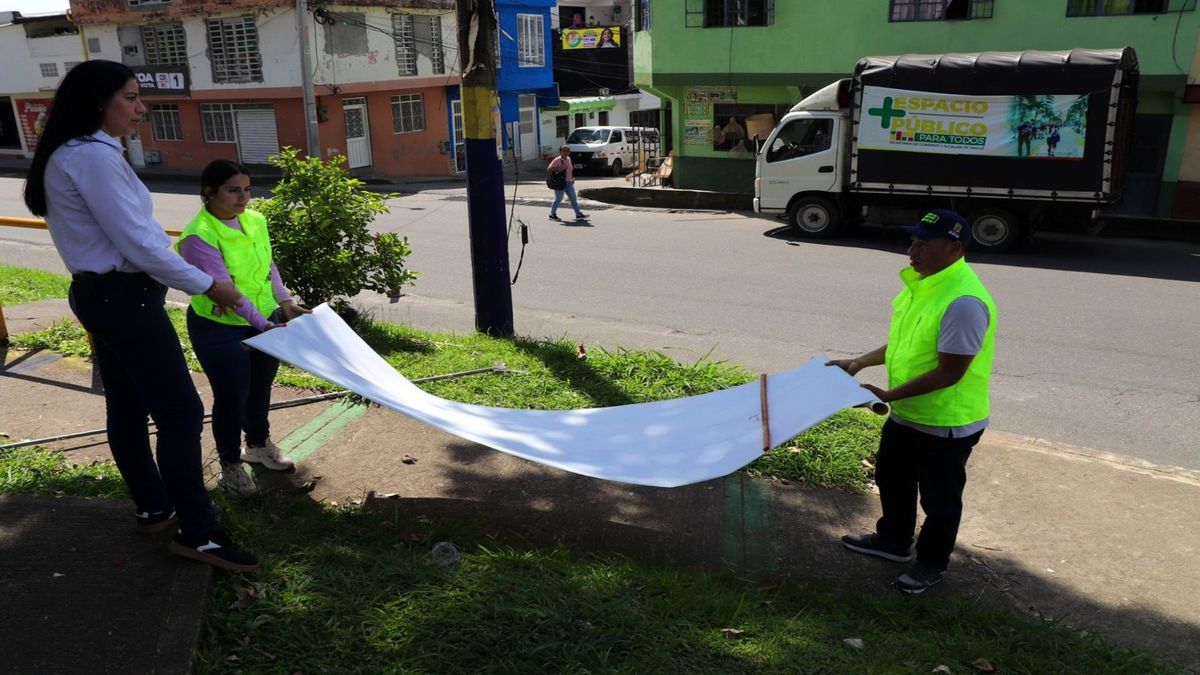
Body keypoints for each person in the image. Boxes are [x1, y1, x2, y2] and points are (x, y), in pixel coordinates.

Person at [21, 60, 259, 573]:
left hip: (107, 297)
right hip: (121, 300)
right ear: (98, 102)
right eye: (130, 97)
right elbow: (139, 241)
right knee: (181, 413)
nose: (141, 107)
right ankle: (198, 531)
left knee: (128, 407)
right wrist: (210, 285)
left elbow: (136, 239)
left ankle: (155, 507)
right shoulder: (90, 157)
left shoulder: (82, 153)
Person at [828, 209, 996, 594]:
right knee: (892, 477)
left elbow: (949, 372)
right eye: (912, 241)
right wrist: (859, 361)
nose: (912, 251)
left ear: (953, 248)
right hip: (909, 413)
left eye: (923, 243)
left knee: (940, 499)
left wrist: (886, 396)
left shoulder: (964, 302)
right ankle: (894, 541)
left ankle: (931, 564)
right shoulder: (924, 284)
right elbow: (905, 346)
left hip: (946, 422)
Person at [177, 160, 309, 497]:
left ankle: (258, 444)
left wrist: (285, 302)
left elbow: (268, 265)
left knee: (261, 386)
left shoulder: (255, 220)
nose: (243, 198)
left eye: (247, 190)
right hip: (220, 327)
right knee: (232, 396)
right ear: (209, 192)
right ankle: (230, 465)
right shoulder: (199, 236)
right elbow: (227, 293)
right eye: (233, 190)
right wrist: (264, 325)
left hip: (264, 318)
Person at [546, 145, 587, 221]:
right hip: (560, 183)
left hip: (569, 182)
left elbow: (570, 170)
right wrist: (560, 168)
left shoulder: (568, 159)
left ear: (569, 152)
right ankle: (552, 215)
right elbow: (549, 169)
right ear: (560, 152)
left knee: (573, 198)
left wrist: (571, 178)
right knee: (558, 199)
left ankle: (578, 214)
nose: (565, 152)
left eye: (567, 150)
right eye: (563, 150)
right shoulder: (557, 160)